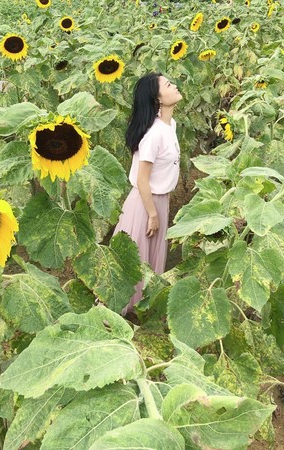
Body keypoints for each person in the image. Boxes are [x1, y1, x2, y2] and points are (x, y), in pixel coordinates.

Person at [113, 72, 182, 315]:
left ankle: (140, 313)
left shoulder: (169, 125)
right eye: (168, 85)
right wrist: (153, 214)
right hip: (145, 205)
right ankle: (119, 316)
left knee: (149, 263)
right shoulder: (153, 135)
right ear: (157, 99)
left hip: (158, 202)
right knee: (136, 263)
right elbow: (142, 180)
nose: (174, 86)